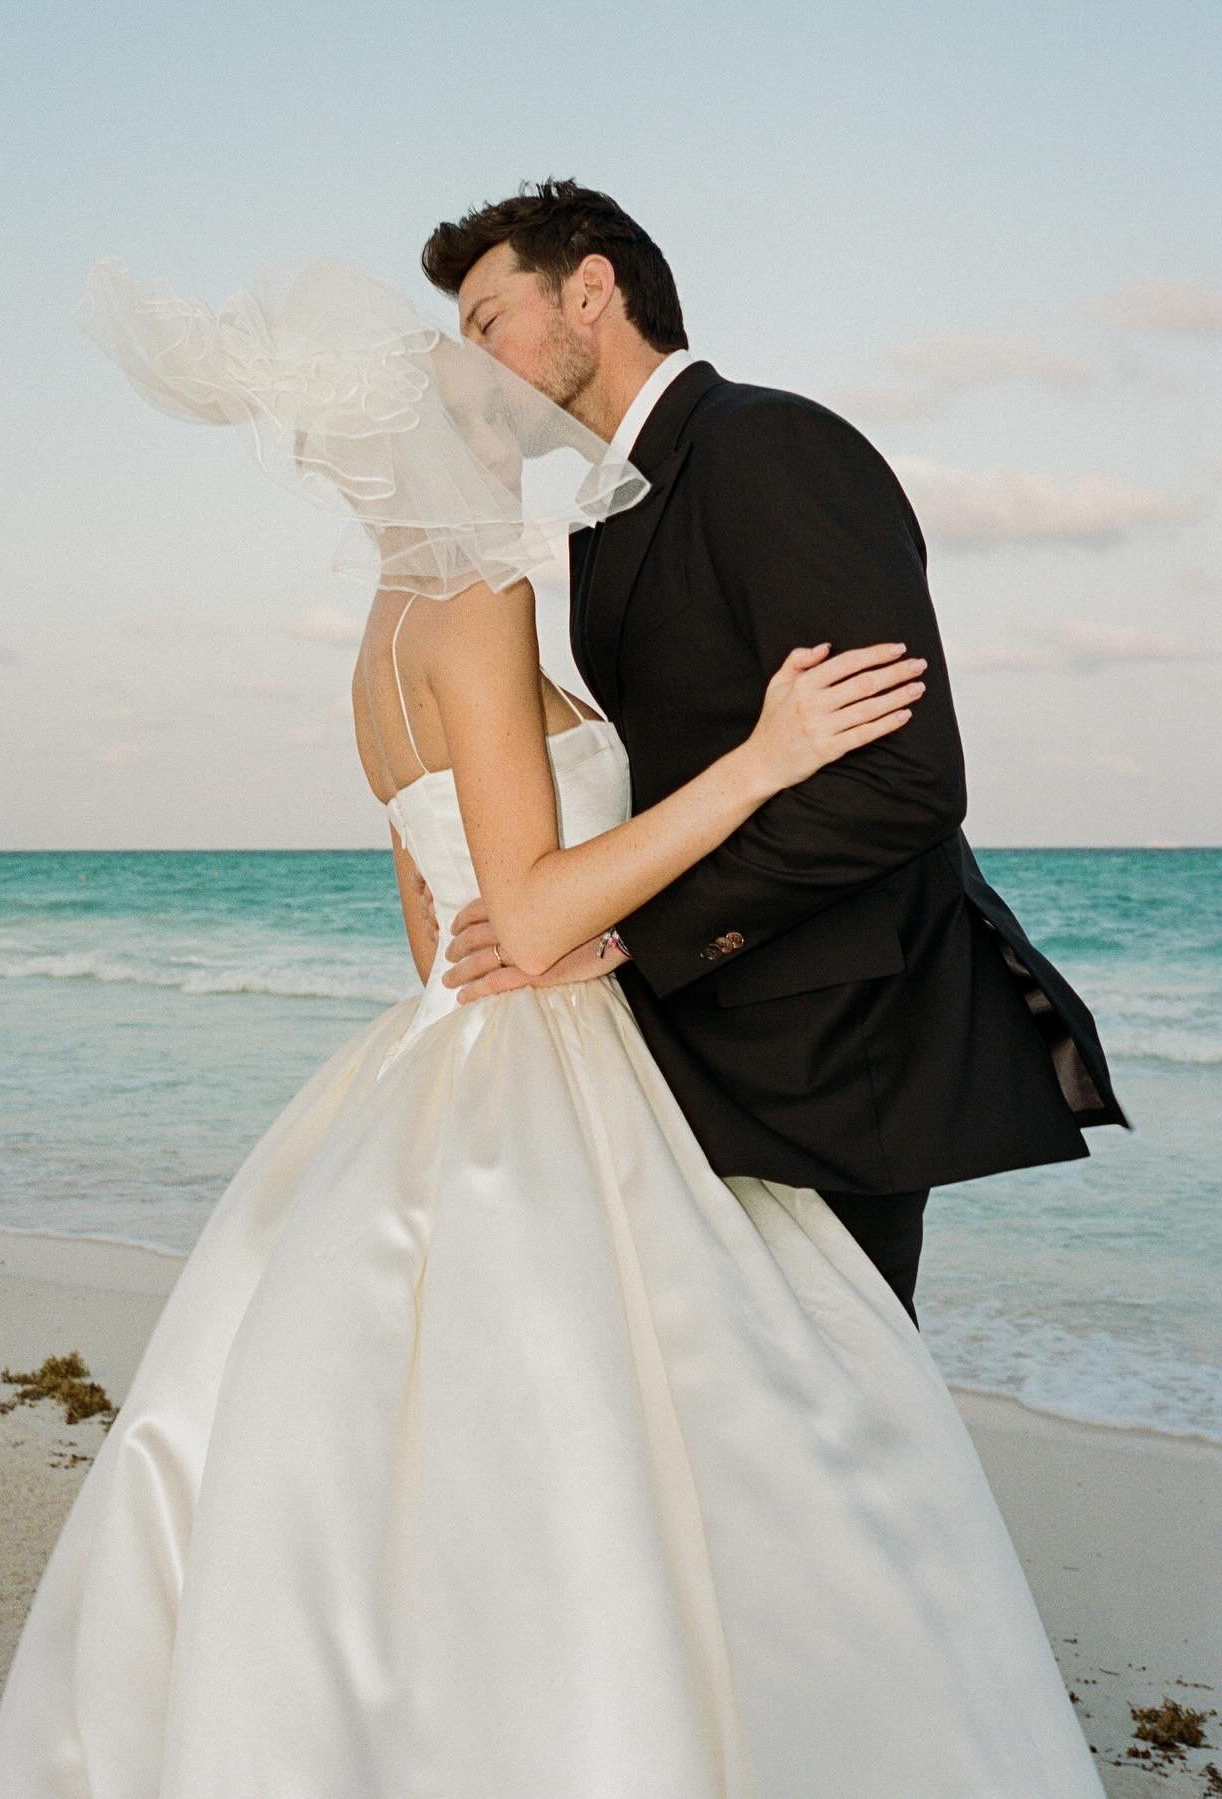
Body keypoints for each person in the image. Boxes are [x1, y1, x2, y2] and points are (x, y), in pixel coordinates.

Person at [0, 255, 1105, 1795]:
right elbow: (539, 899)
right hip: (551, 1058)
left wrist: (524, 935)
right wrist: (763, 758)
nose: (509, 421)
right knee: (715, 1421)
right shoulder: (486, 600)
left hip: (438, 1047)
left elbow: (441, 932)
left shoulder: (375, 649)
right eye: (478, 406)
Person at [424, 180, 1130, 1333]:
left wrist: (622, 931)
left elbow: (903, 778)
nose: (475, 361)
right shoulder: (602, 524)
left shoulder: (771, 444)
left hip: (839, 1047)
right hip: (701, 1032)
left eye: (489, 319)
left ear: (591, 289)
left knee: (842, 1422)